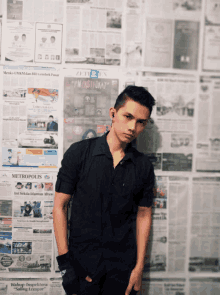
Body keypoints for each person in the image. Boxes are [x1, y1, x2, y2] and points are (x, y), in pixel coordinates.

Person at [53, 85, 156, 295]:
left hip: (123, 272)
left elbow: (144, 214)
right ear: (113, 113)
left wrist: (138, 268)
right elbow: (59, 207)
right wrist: (66, 267)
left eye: (140, 122)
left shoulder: (143, 165)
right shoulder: (79, 153)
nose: (132, 127)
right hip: (82, 269)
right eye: (127, 116)